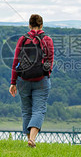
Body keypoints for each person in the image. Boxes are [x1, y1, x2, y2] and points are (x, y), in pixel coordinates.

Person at [9, 14, 54, 148]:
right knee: (38, 110)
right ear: (41, 25)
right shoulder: (47, 40)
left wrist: (13, 82)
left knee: (26, 110)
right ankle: (32, 139)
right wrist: (46, 73)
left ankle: (29, 139)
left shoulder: (22, 40)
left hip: (23, 79)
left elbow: (16, 61)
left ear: (29, 25)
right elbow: (50, 61)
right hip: (41, 80)